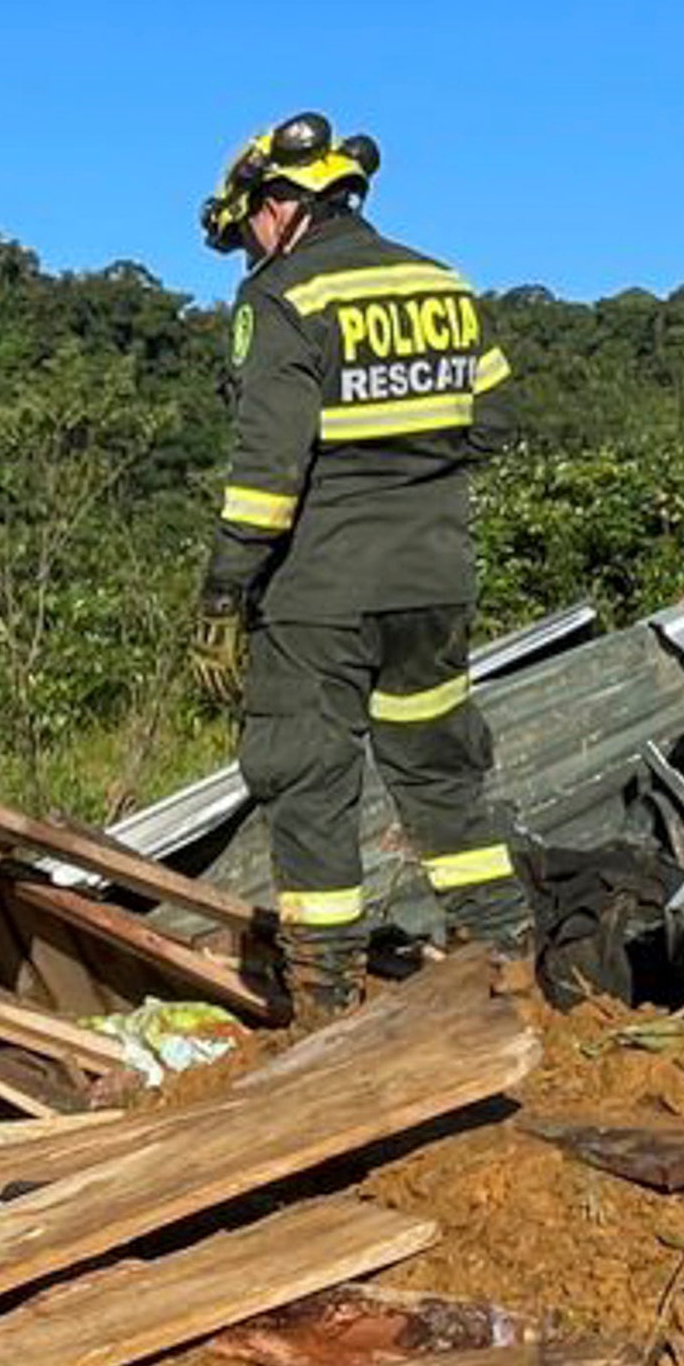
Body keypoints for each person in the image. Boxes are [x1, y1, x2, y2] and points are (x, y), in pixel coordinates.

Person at [189, 111, 528, 1016]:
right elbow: (494, 419)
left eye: (249, 228)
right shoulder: (441, 282)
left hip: (320, 594)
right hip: (436, 582)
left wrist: (225, 591)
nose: (251, 248)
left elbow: (267, 475)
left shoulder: (281, 298)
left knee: (308, 778)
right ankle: (503, 958)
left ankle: (326, 1001)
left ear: (274, 204)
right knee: (440, 771)